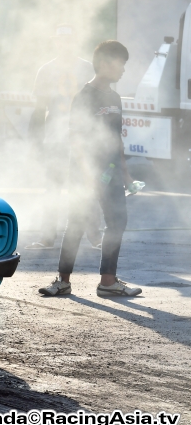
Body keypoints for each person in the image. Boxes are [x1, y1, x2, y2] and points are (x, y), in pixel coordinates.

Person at [39, 40, 142, 297]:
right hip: (84, 172)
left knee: (117, 221)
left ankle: (107, 282)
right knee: (76, 223)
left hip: (111, 172)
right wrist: (87, 175)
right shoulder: (84, 96)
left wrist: (127, 175)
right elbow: (77, 138)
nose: (123, 70)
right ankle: (62, 281)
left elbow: (116, 138)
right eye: (120, 64)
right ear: (105, 64)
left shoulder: (115, 97)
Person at [26, 24, 102, 250]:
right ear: (55, 42)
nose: (65, 45)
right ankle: (47, 237)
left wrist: (99, 137)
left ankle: (96, 237)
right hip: (56, 137)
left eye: (69, 41)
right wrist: (35, 140)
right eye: (61, 41)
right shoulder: (46, 70)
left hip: (83, 138)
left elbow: (98, 105)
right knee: (53, 187)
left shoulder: (89, 69)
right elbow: (39, 108)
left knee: (86, 187)